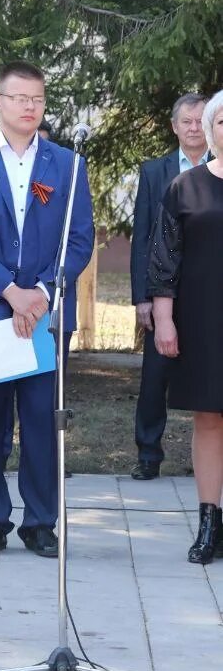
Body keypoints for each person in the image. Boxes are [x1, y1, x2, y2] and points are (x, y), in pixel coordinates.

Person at [0, 61, 94, 559]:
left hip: (45, 318)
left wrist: (43, 294)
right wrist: (11, 292)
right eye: (20, 97)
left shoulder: (68, 165)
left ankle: (41, 522)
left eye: (38, 99)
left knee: (43, 422)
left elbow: (79, 240)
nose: (30, 107)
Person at [148, 90, 223, 564]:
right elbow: (163, 261)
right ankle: (209, 523)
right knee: (209, 418)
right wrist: (163, 320)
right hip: (201, 318)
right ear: (212, 127)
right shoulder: (185, 186)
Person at [130, 92, 208, 479]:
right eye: (187, 122)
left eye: (200, 121)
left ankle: (209, 461)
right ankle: (148, 454)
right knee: (154, 379)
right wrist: (142, 298)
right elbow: (143, 237)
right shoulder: (154, 172)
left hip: (210, 295)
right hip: (163, 293)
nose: (194, 128)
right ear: (174, 127)